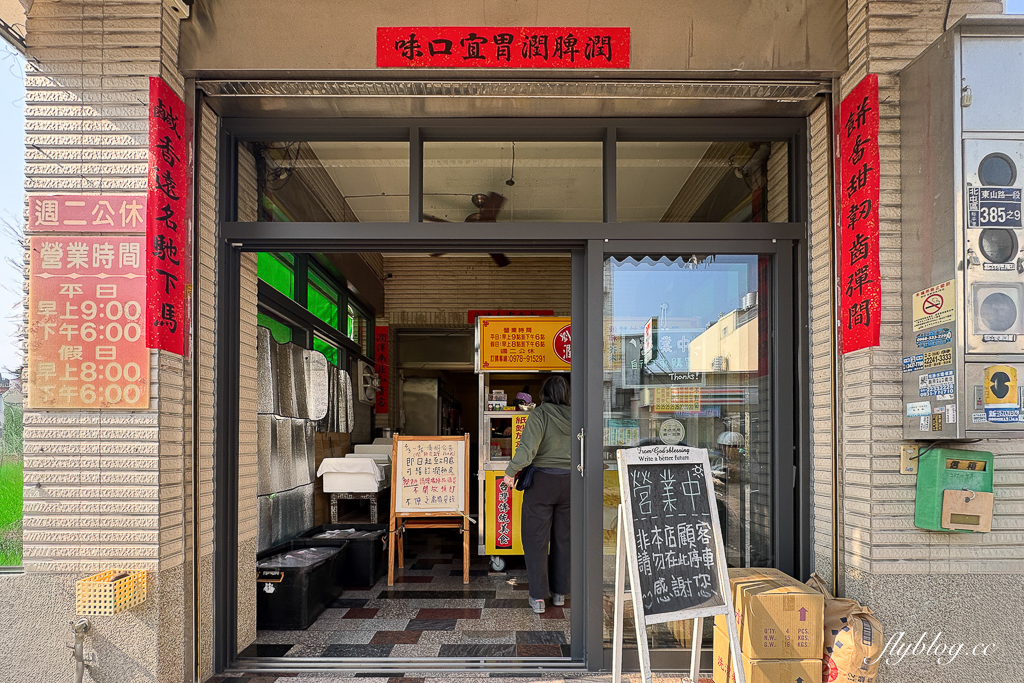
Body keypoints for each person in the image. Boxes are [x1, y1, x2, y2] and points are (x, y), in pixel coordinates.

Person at [502, 375, 571, 614]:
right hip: (571, 483)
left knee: (536, 539)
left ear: (544, 394)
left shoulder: (540, 415)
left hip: (542, 482)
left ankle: (539, 597)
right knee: (564, 539)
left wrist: (510, 471)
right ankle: (560, 593)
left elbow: (527, 449)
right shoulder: (579, 415)